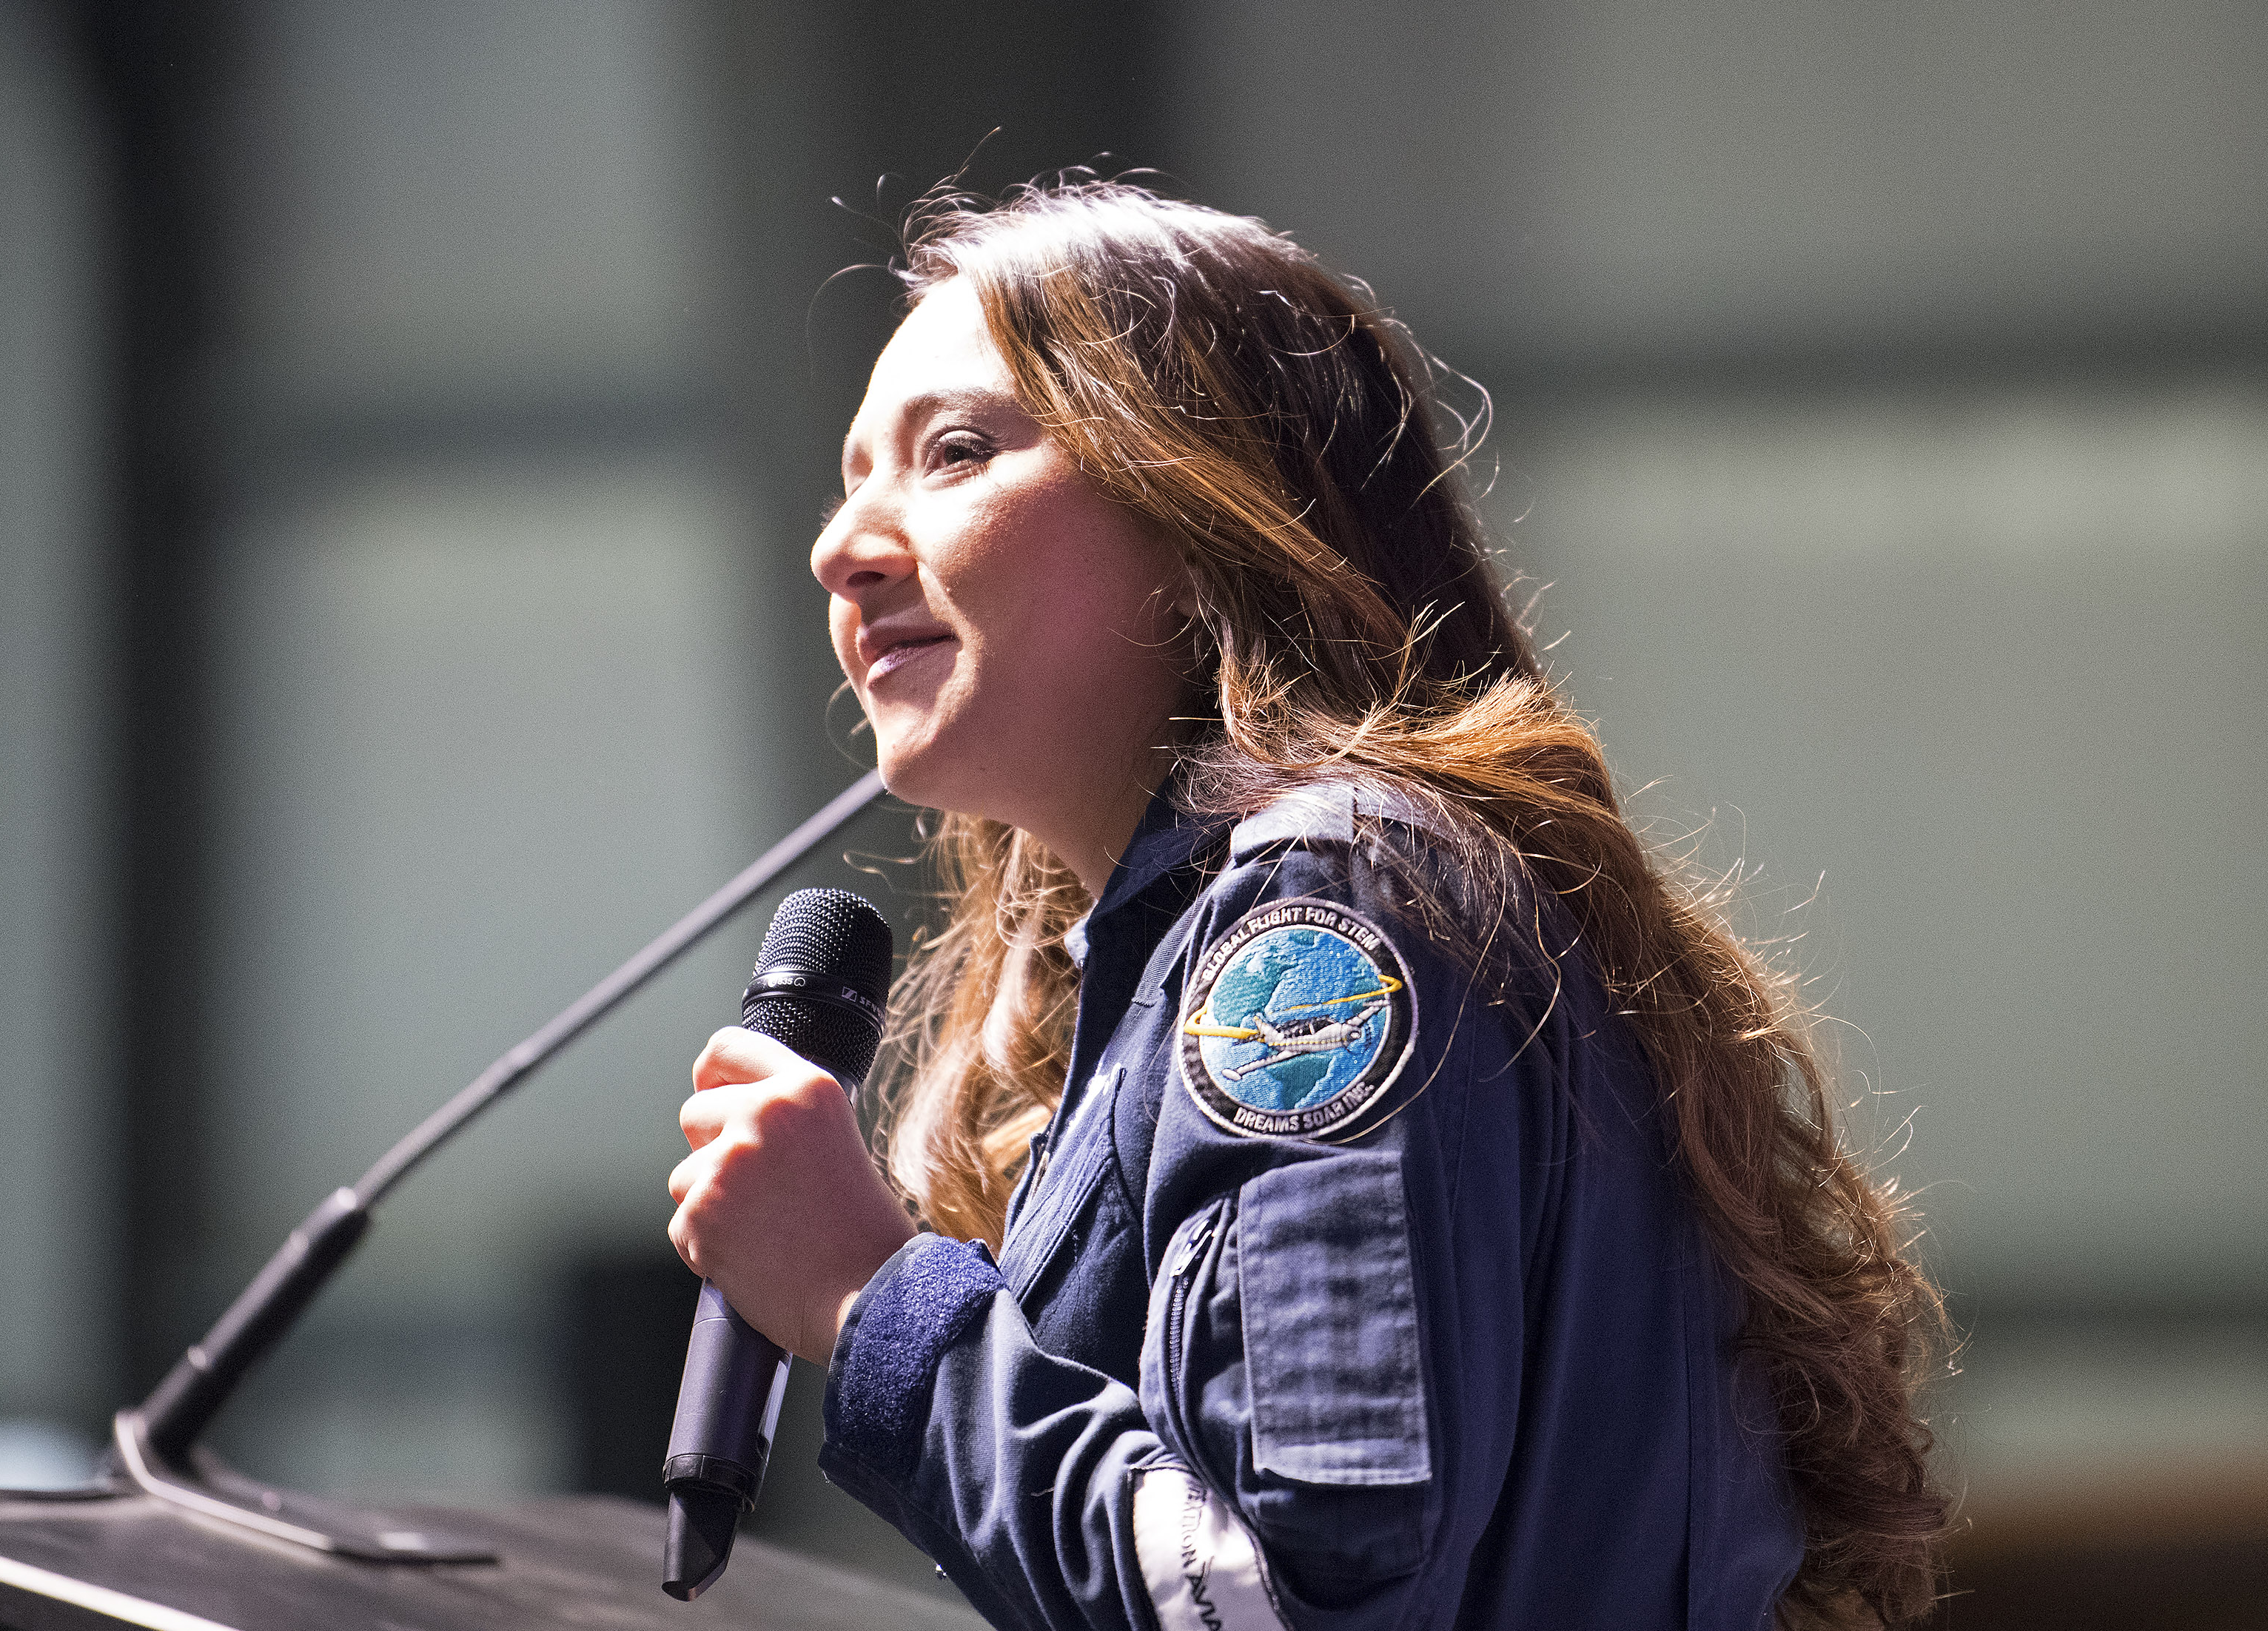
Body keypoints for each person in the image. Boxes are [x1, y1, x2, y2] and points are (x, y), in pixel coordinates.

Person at [663, 181, 1947, 1631]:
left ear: (1198, 503)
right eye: (850, 479)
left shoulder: (1321, 920)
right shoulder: (1252, 921)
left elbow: (1281, 1603)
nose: (842, 543)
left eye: (954, 452)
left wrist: (866, 1292)